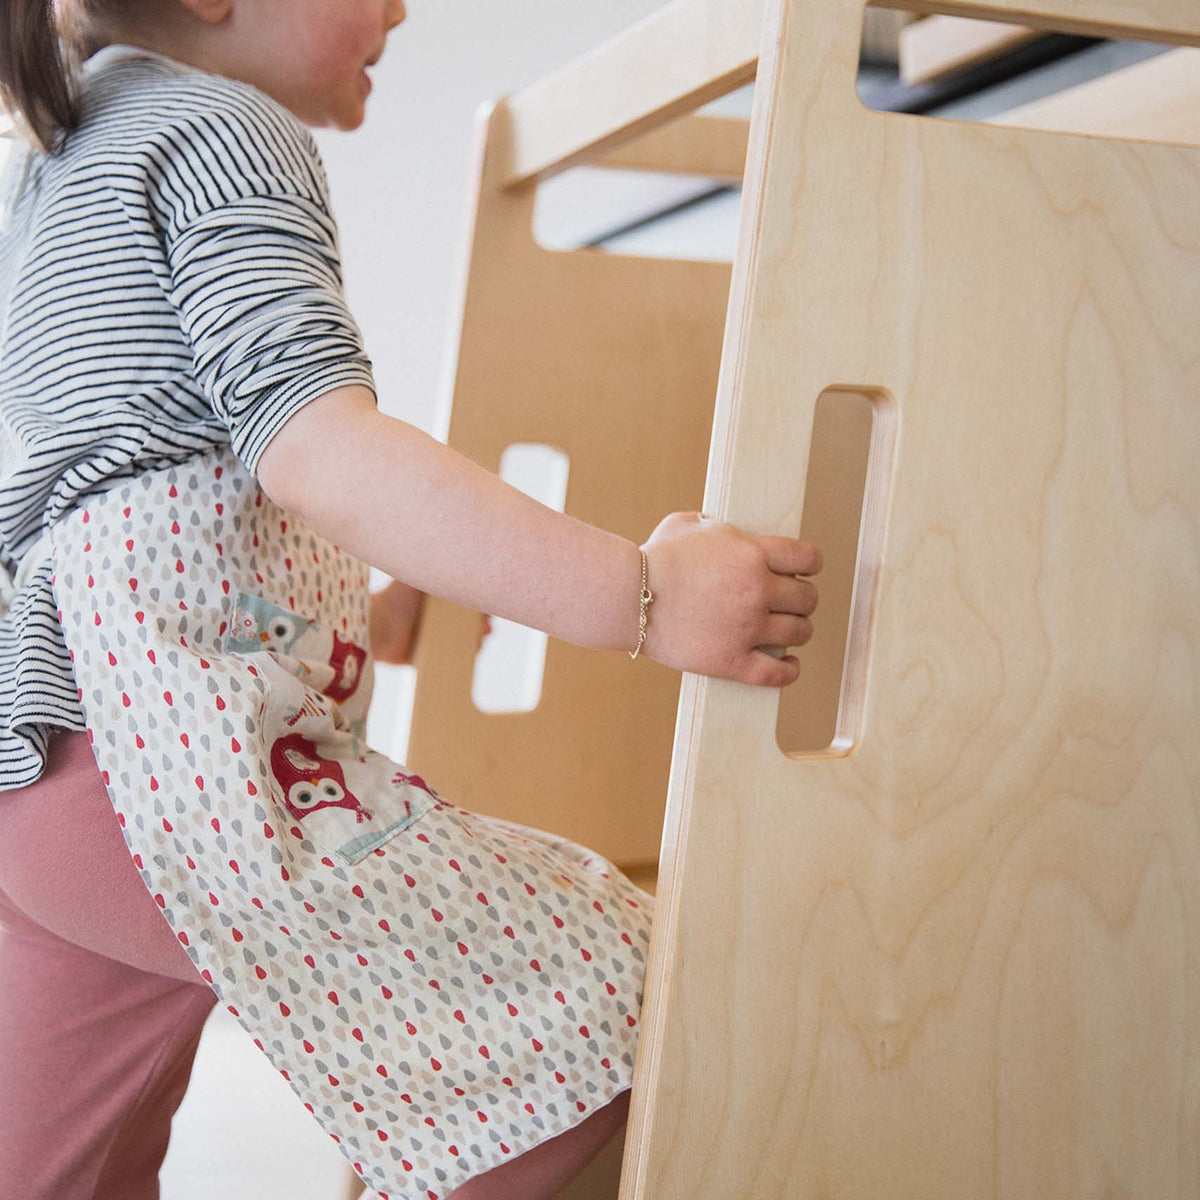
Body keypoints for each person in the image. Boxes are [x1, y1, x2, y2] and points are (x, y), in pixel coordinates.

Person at [0, 1, 822, 1198]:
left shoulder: (57, 156)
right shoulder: (223, 127)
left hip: (40, 773)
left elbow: (146, 486)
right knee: (601, 1017)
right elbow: (316, 452)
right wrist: (644, 594)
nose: (400, 7)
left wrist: (372, 609)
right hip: (160, 781)